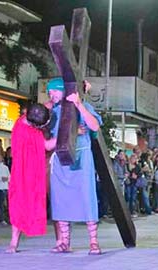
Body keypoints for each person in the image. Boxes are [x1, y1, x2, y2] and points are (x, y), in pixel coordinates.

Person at [47, 78, 103, 255]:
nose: (51, 95)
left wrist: (79, 104)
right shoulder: (53, 111)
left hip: (81, 158)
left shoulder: (83, 105)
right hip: (60, 160)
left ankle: (93, 242)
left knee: (87, 197)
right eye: (49, 92)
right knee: (60, 199)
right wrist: (70, 132)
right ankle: (64, 242)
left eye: (55, 91)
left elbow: (94, 126)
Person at [6, 103, 56, 253]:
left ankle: (13, 243)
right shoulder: (31, 133)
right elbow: (47, 146)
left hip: (19, 173)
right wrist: (65, 134)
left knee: (18, 204)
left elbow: (44, 106)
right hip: (29, 174)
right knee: (22, 204)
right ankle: (13, 242)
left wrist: (53, 101)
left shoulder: (20, 122)